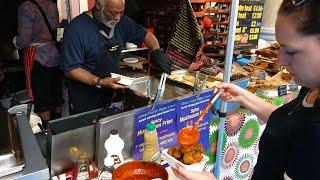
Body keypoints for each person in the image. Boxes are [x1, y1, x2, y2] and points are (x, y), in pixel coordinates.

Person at [173, 0, 320, 179]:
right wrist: (244, 97)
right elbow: (288, 123)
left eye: (290, 51)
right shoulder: (312, 87)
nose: (280, 61)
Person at [60, 0, 172, 115]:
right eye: (112, 13)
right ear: (98, 6)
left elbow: (146, 35)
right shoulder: (76, 28)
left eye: (121, 12)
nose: (118, 18)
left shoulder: (122, 22)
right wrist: (100, 81)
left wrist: (156, 51)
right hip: (86, 98)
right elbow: (70, 69)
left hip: (113, 93)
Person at [14, 0, 64, 127]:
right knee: (56, 95)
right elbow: (55, 28)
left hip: (38, 57)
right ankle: (59, 127)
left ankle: (48, 133)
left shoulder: (27, 7)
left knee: (42, 100)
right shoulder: (52, 5)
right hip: (55, 55)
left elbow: (24, 39)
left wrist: (14, 42)